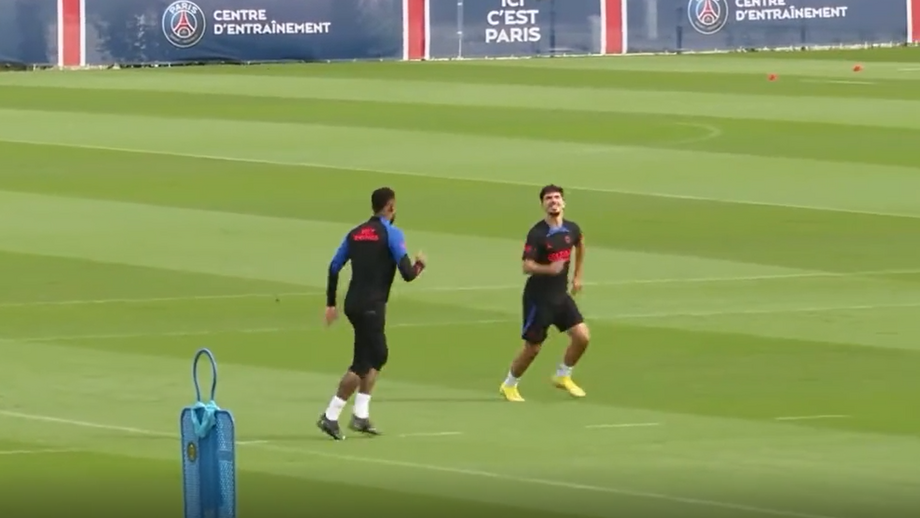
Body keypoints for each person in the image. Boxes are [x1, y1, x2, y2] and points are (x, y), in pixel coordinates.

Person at [317, 187, 426, 440]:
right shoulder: (391, 233)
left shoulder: (355, 233)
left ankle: (361, 415)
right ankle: (331, 416)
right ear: (390, 207)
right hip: (372, 305)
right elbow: (408, 274)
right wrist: (420, 264)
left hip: (353, 302)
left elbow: (334, 267)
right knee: (364, 362)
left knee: (377, 354)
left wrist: (331, 304)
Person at [499, 185, 590, 402]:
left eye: (557, 197)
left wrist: (577, 276)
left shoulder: (571, 229)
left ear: (564, 203)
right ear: (543, 204)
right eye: (548, 198)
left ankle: (563, 375)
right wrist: (549, 269)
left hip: (560, 296)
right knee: (533, 348)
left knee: (582, 337)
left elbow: (580, 243)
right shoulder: (538, 233)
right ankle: (509, 384)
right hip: (538, 299)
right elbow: (526, 266)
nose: (553, 201)